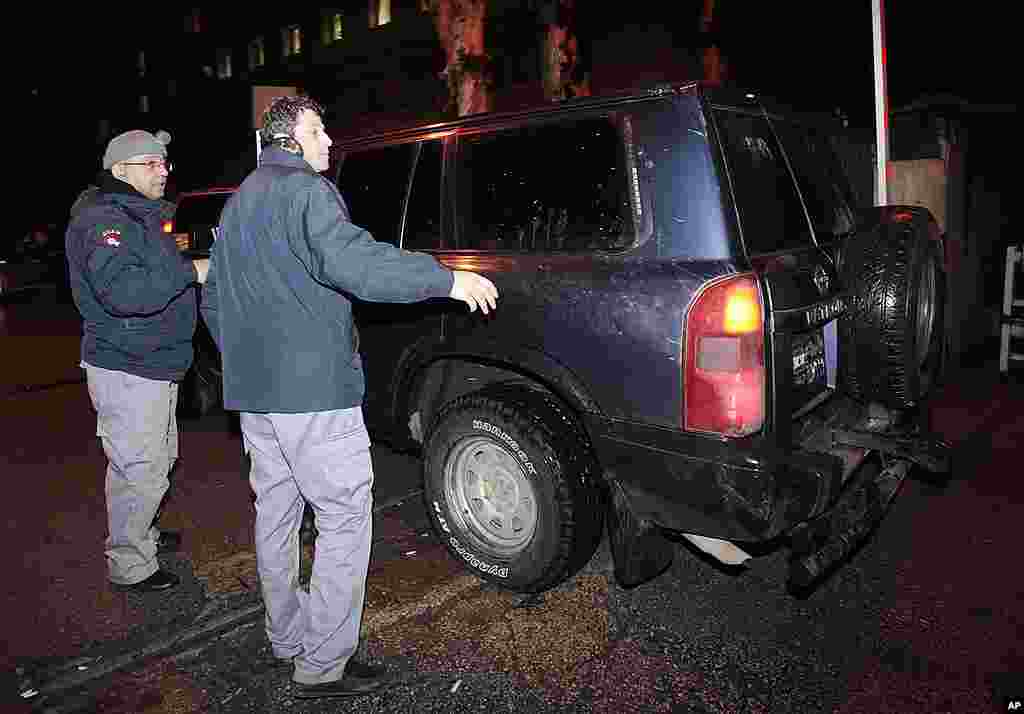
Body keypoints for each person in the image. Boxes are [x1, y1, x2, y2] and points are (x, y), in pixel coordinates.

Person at [199, 95, 498, 700]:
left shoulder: (239, 203)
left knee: (277, 516)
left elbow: (213, 297)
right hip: (310, 393)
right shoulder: (306, 192)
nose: (328, 141)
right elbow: (356, 264)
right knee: (341, 519)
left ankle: (285, 638)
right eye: (318, 130)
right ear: (288, 139)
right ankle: (323, 664)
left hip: (255, 396)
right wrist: (446, 278)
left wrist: (243, 361)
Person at [65, 129, 210, 593]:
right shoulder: (103, 222)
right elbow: (127, 293)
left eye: (164, 162)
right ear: (120, 171)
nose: (163, 170)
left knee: (156, 459)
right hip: (127, 364)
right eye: (151, 163)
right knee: (139, 467)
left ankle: (140, 532)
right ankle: (130, 563)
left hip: (153, 362)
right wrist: (190, 270)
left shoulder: (143, 216)